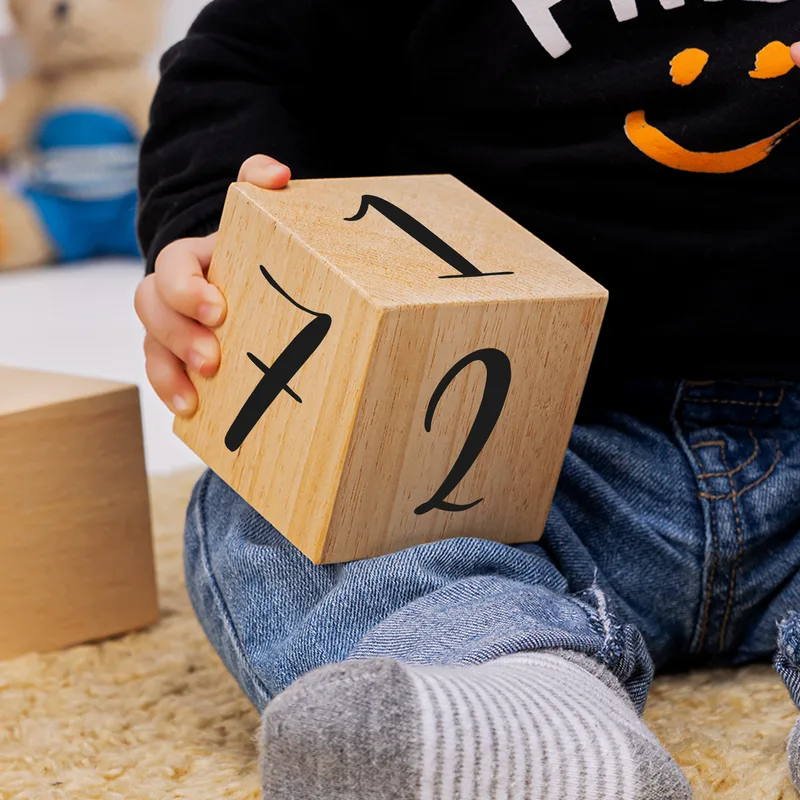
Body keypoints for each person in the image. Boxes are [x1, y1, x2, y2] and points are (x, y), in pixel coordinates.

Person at [134, 0, 800, 796]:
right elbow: (250, 61)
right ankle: (511, 708)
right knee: (290, 502)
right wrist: (214, 232)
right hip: (483, 438)